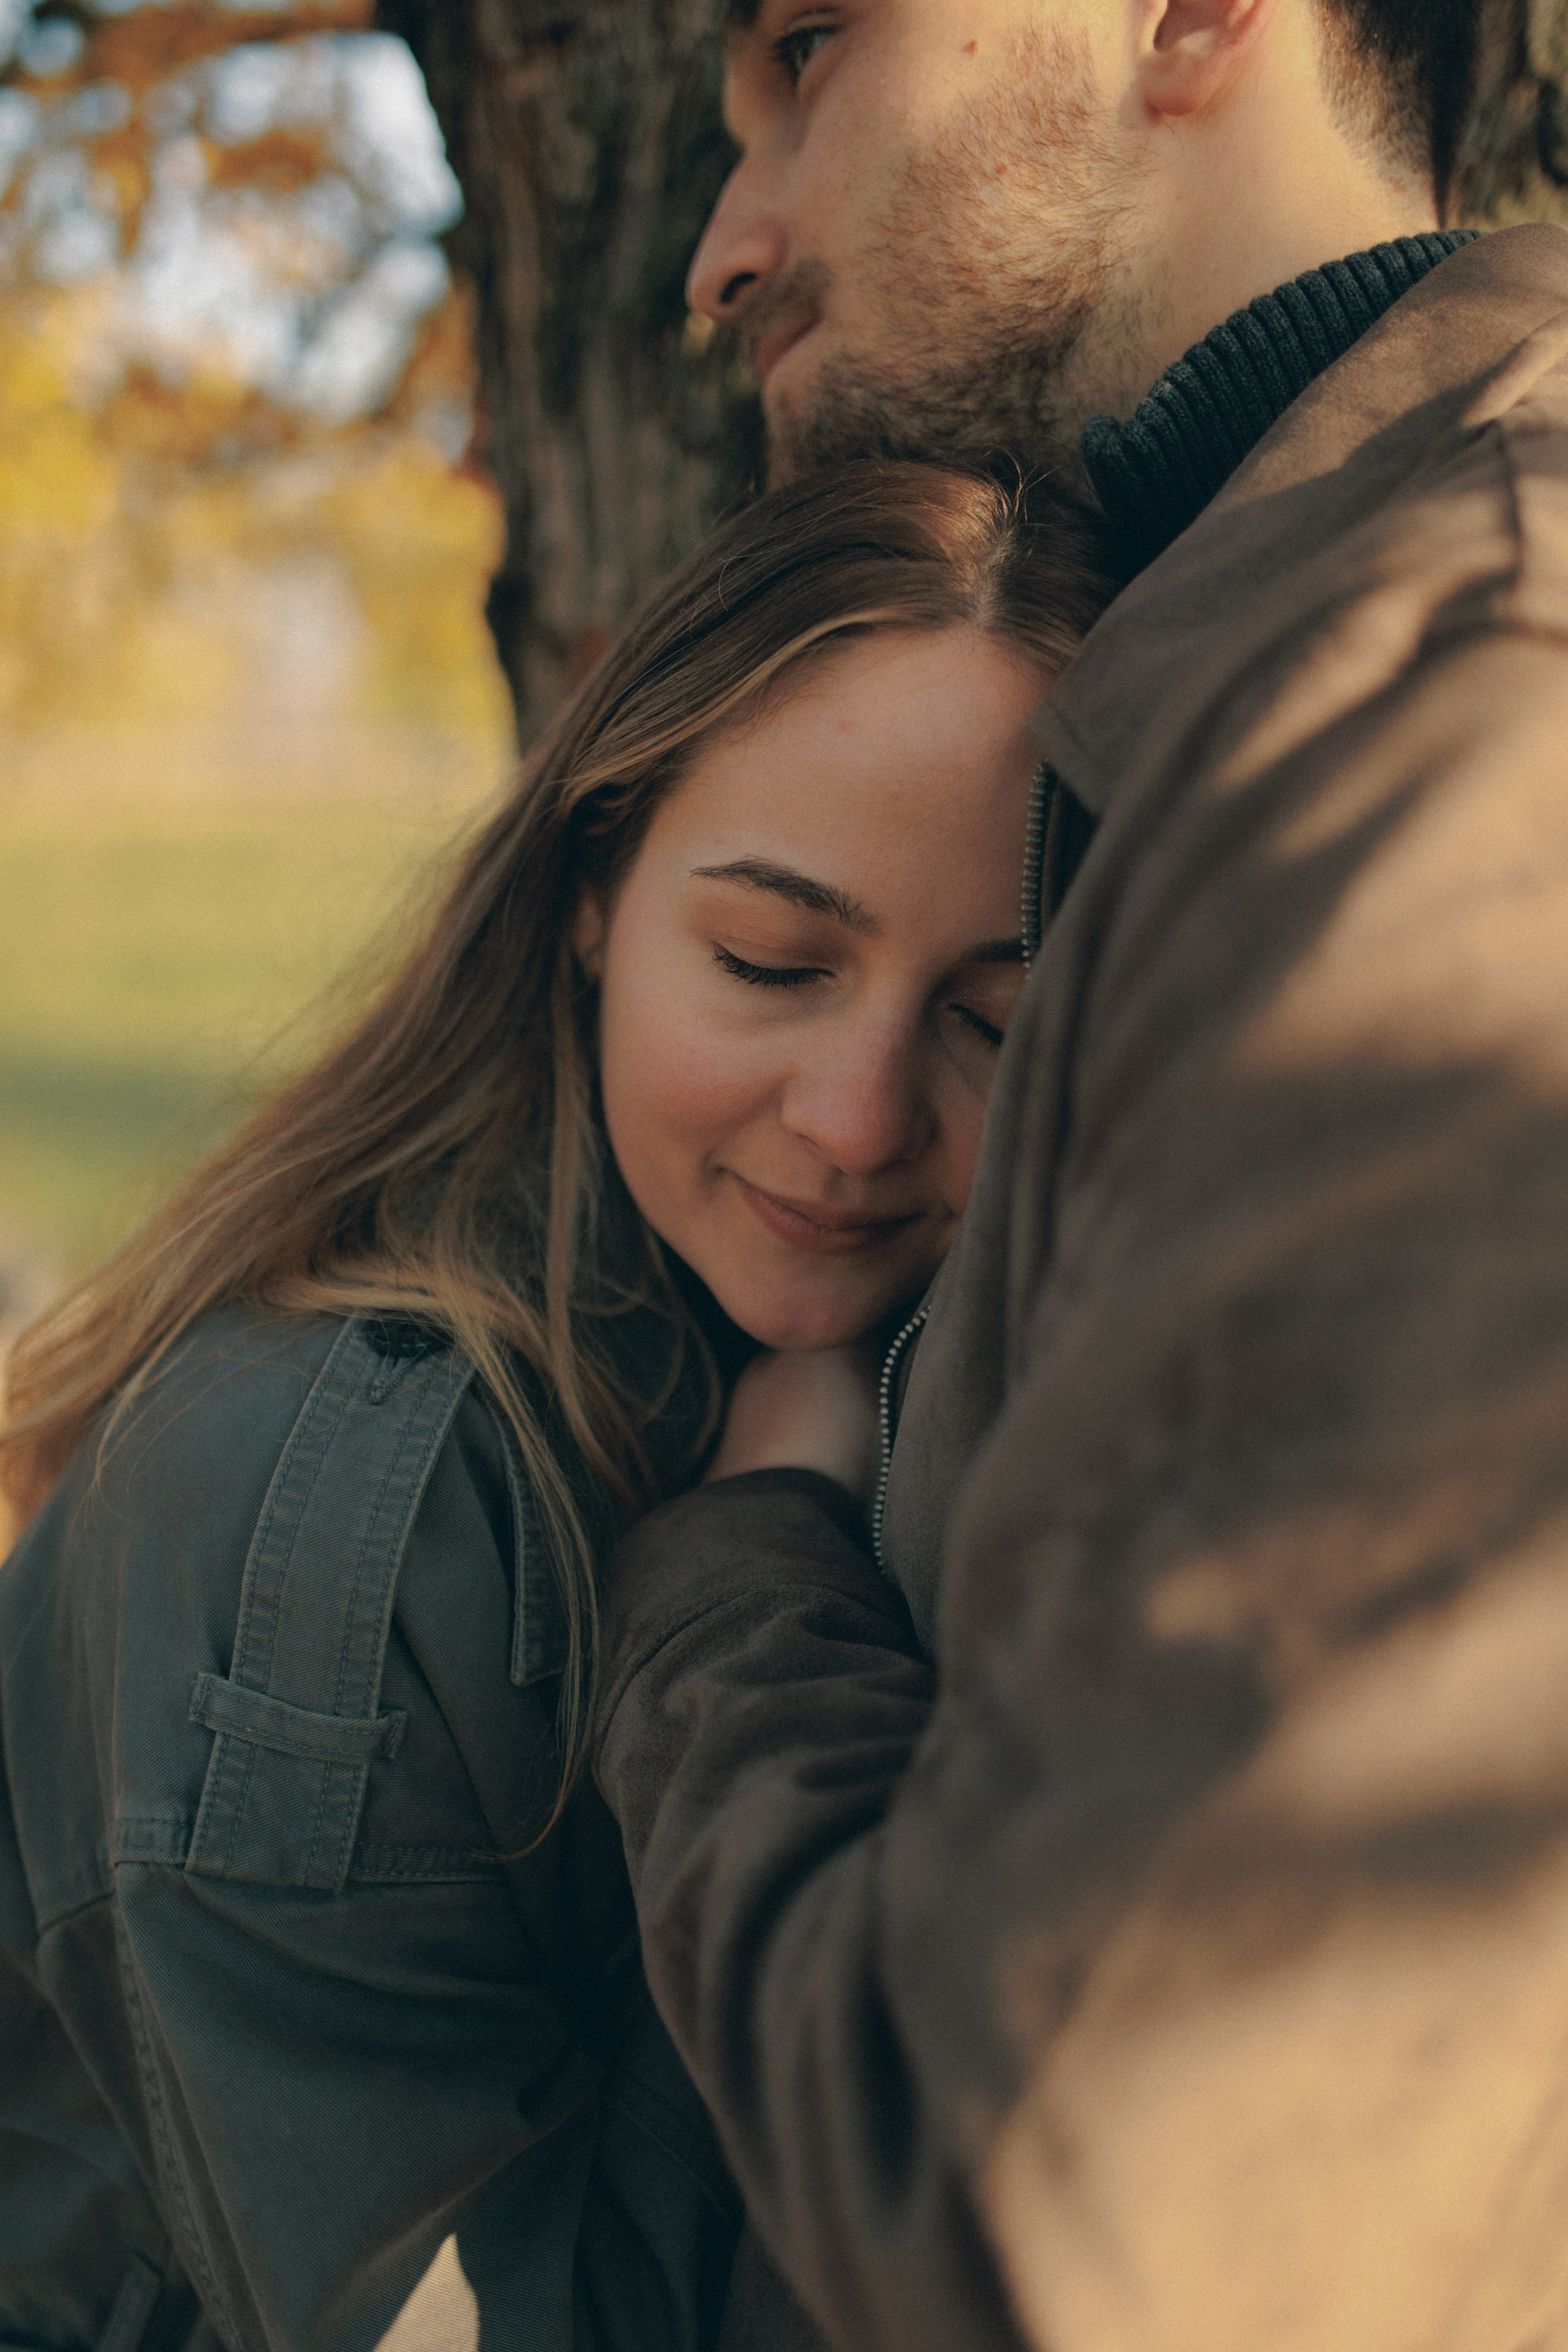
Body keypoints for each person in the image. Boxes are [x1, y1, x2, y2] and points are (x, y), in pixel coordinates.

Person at [591, 5, 1568, 2351]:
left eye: (812, 50)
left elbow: (1072, 2220)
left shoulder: (1451, 707)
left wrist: (738, 1577)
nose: (722, 251)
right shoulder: (1276, 676)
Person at [0, 464, 1108, 2351]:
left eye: (992, 1021)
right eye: (771, 964)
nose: (855, 1121)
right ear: (592, 893)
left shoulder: (901, 1368)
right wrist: (753, 1575)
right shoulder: (336, 1542)